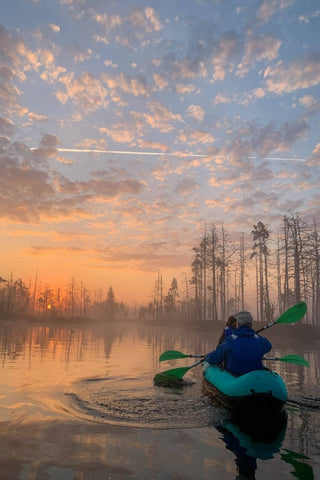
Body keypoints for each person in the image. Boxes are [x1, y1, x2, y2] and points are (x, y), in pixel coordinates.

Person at [204, 311, 272, 376]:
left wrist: (206, 357)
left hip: (235, 377)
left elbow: (214, 358)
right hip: (255, 377)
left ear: (238, 324)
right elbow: (269, 346)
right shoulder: (260, 340)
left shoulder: (229, 341)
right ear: (251, 324)